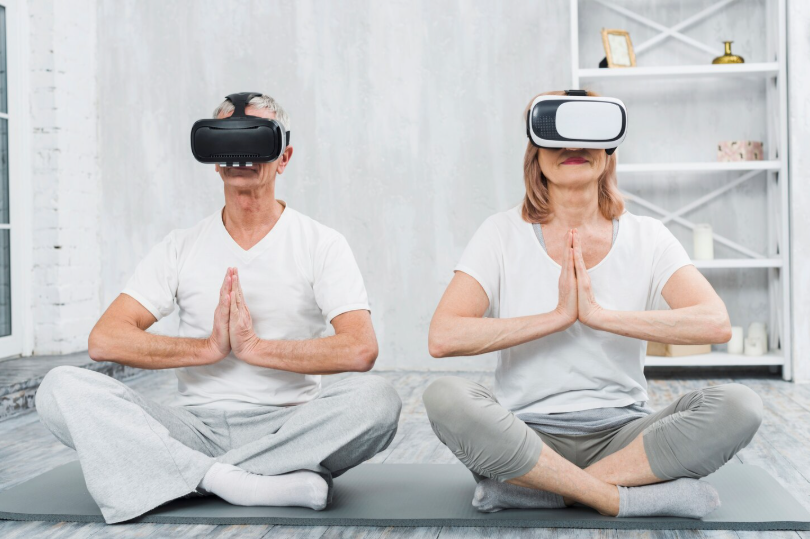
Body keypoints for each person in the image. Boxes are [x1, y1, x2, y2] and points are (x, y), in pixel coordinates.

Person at [35, 93, 402, 524]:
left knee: (378, 401)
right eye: (229, 140)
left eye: (255, 141)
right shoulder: (180, 246)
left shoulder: (321, 243)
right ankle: (233, 479)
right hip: (192, 430)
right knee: (59, 388)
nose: (241, 155)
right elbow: (104, 340)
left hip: (290, 427)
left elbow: (360, 349)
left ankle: (184, 474)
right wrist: (207, 348)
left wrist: (253, 348)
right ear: (215, 157)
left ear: (283, 157)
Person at [423, 90, 762, 519]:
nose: (573, 146)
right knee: (444, 396)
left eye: (588, 134)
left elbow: (715, 323)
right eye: (556, 133)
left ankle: (542, 491)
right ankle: (624, 497)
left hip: (627, 436)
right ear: (535, 153)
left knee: (740, 405)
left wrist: (601, 317)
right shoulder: (500, 233)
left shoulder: (648, 236)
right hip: (526, 436)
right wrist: (557, 318)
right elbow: (443, 336)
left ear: (608, 151)